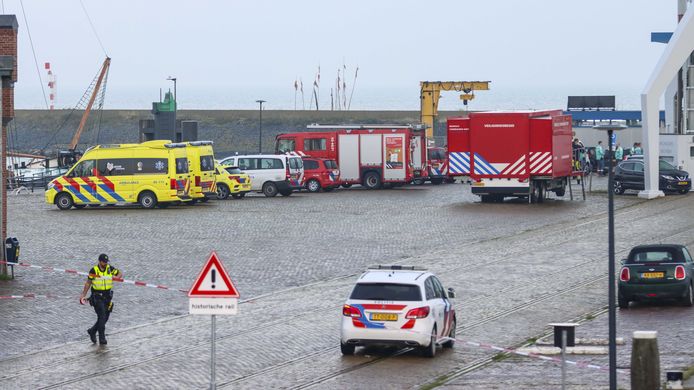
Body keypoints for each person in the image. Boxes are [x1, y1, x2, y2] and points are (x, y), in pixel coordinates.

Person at [80, 254, 122, 345]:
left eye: (106, 262)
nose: (105, 263)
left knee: (105, 317)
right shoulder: (94, 270)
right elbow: (88, 283)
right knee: (102, 316)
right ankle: (102, 338)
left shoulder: (110, 268)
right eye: (104, 262)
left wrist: (117, 277)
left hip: (107, 297)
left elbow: (119, 273)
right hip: (97, 297)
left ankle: (92, 331)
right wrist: (83, 294)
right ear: (99, 261)